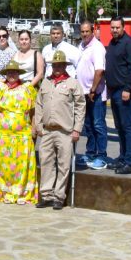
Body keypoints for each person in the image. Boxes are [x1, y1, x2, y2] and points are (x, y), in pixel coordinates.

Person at [35, 50, 86, 210]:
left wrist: (77, 129)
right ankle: (46, 195)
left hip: (65, 131)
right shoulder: (46, 82)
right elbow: (39, 104)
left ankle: (59, 197)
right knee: (46, 163)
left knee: (64, 165)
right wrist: (38, 125)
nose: (57, 68)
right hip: (48, 131)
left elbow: (80, 106)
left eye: (60, 65)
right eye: (54, 65)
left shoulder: (72, 83)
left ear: (65, 66)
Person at [0, 59, 38, 204]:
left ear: (19, 73)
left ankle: (21, 193)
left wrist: (34, 126)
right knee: (3, 164)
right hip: (2, 134)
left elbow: (33, 109)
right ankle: (5, 193)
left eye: (14, 72)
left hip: (22, 135)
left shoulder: (28, 88)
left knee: (21, 165)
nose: (12, 74)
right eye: (9, 72)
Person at [105, 17, 131, 174]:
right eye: (112, 27)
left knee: (127, 127)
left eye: (117, 27)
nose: (114, 30)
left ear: (123, 27)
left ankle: (130, 163)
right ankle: (123, 157)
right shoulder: (112, 44)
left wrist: (127, 89)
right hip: (114, 91)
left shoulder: (130, 44)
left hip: (127, 91)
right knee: (119, 126)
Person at [76, 19, 108, 170]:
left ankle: (101, 156)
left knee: (98, 125)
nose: (84, 34)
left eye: (87, 31)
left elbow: (99, 71)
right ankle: (90, 153)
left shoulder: (97, 47)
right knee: (88, 125)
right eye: (82, 31)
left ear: (93, 31)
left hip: (95, 94)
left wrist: (93, 90)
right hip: (84, 93)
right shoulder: (81, 46)